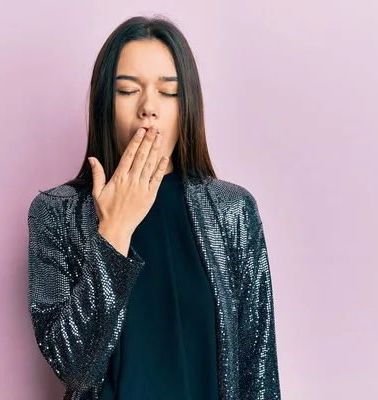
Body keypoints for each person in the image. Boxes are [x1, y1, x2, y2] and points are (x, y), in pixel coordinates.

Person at [27, 15, 281, 400]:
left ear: (188, 105)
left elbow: (257, 371)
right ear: (104, 105)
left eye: (168, 92)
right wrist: (114, 232)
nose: (149, 107)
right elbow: (75, 369)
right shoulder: (55, 213)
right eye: (128, 90)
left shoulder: (233, 211)